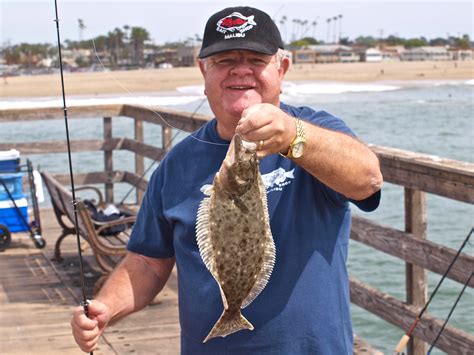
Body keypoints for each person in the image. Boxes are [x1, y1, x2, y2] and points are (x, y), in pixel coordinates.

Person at [71, 6, 383, 354]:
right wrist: (106, 308)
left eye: (255, 58)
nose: (241, 70)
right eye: (224, 60)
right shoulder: (177, 164)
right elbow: (147, 261)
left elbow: (367, 180)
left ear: (281, 69)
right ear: (203, 71)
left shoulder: (318, 134)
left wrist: (295, 138)